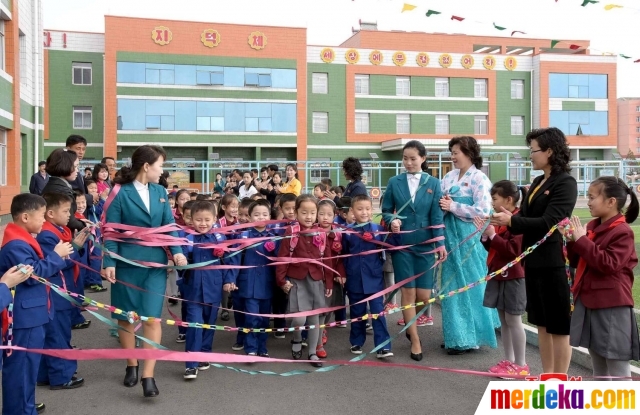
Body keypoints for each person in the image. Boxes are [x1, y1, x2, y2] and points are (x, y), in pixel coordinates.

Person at [101, 145, 187, 397]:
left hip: (155, 266)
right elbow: (111, 231)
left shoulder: (160, 191)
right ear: (146, 166)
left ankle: (148, 375)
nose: (162, 171)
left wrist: (178, 250)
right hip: (126, 265)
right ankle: (131, 364)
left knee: (151, 317)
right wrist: (110, 262)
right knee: (127, 318)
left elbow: (168, 226)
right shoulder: (119, 193)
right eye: (160, 165)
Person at [491, 127, 577, 374]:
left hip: (555, 263)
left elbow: (550, 222)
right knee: (541, 323)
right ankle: (546, 375)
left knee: (559, 326)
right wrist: (510, 217)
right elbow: (526, 217)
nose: (530, 155)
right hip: (534, 261)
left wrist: (512, 222)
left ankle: (559, 379)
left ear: (550, 151)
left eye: (533, 150)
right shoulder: (539, 182)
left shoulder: (566, 183)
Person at [0, 194, 72, 415]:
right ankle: (20, 409)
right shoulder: (15, 244)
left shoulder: (22, 238)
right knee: (21, 372)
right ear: (24, 217)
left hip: (32, 313)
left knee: (27, 370)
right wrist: (57, 255)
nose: (43, 221)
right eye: (41, 216)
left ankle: (25, 406)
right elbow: (33, 274)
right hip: (25, 317)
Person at [566, 177, 640, 380]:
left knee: (618, 369)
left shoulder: (622, 231)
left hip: (612, 306)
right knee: (598, 366)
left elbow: (609, 264)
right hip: (591, 301)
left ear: (611, 202)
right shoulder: (593, 226)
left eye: (592, 197)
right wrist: (572, 241)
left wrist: (581, 240)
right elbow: (577, 261)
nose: (588, 201)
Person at [382, 140, 447, 361]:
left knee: (424, 296)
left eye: (413, 158)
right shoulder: (394, 182)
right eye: (405, 158)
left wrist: (440, 243)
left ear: (423, 159)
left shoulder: (434, 183)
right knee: (407, 293)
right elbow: (386, 210)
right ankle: (415, 339)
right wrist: (393, 220)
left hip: (426, 246)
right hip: (403, 246)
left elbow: (437, 216)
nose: (408, 163)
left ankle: (412, 326)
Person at [439, 136, 499, 355]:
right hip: (449, 238)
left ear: (469, 153)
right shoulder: (447, 177)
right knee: (450, 286)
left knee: (471, 284)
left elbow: (484, 212)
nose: (453, 157)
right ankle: (455, 335)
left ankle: (471, 336)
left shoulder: (480, 179)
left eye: (457, 152)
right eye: (452, 152)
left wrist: (453, 206)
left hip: (468, 240)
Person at [36, 193, 90, 390]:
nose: (70, 215)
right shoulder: (48, 235)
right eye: (66, 211)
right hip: (55, 291)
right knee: (58, 335)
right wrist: (75, 247)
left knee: (55, 333)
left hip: (60, 290)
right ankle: (61, 376)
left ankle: (46, 374)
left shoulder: (58, 230)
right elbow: (59, 263)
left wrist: (76, 245)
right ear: (50, 213)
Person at [474, 181, 528, 377]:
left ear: (509, 200)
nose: (492, 203)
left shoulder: (518, 221)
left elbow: (514, 251)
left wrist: (493, 236)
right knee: (504, 320)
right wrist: (487, 236)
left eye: (494, 199)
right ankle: (510, 360)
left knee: (514, 319)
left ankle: (521, 364)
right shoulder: (499, 220)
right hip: (498, 273)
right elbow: (494, 249)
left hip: (514, 276)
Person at [181, 201, 238, 379]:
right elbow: (181, 255)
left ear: (215, 219)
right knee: (194, 325)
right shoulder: (187, 237)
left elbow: (229, 261)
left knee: (209, 323)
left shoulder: (219, 238)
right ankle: (191, 363)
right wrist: (181, 258)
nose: (203, 223)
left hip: (214, 289)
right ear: (191, 219)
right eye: (199, 220)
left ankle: (204, 353)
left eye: (207, 219)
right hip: (193, 290)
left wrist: (229, 280)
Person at [276, 195, 332, 367]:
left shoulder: (322, 233)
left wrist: (329, 282)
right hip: (296, 280)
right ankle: (297, 338)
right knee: (299, 319)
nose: (308, 216)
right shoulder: (291, 232)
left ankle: (312, 352)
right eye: (304, 212)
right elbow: (283, 257)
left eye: (312, 212)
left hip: (316, 280)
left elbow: (328, 260)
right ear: (296, 212)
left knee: (315, 318)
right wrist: (281, 280)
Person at [342, 194, 393, 359]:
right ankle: (356, 341)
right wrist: (343, 274)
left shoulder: (378, 230)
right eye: (360, 209)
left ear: (372, 210)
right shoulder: (347, 232)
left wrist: (396, 229)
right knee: (357, 312)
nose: (364, 212)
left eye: (367, 209)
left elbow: (391, 244)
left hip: (374, 278)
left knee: (378, 312)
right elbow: (342, 254)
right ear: (352, 211)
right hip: (354, 279)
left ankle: (383, 345)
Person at [236, 199, 279, 357]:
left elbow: (280, 260)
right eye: (256, 214)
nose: (261, 217)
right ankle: (251, 347)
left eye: (265, 214)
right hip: (248, 284)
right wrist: (231, 280)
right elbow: (234, 260)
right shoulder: (243, 236)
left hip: (267, 284)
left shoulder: (274, 237)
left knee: (264, 320)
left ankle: (262, 348)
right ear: (249, 216)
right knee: (251, 318)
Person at [316, 199, 346, 351]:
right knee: (317, 306)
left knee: (329, 306)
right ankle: (316, 333)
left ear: (335, 215)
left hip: (332, 276)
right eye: (321, 214)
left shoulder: (339, 234)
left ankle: (323, 327)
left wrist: (340, 273)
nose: (325, 218)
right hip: (315, 276)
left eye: (329, 214)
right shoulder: (312, 231)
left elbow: (341, 257)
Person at [41, 149, 87, 233]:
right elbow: (69, 221)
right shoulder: (63, 191)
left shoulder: (54, 184)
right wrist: (85, 226)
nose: (77, 170)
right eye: (76, 166)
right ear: (65, 166)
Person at [271, 193, 297, 337]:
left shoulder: (302, 226)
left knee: (298, 299)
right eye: (287, 209)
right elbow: (274, 249)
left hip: (296, 268)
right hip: (280, 267)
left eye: (294, 208)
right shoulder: (275, 227)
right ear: (281, 208)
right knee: (279, 298)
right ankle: (279, 325)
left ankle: (300, 331)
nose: (291, 212)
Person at [66, 135, 94, 208]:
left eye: (83, 149)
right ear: (68, 149)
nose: (81, 152)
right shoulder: (66, 168)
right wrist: (91, 197)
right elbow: (73, 194)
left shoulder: (77, 168)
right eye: (78, 148)